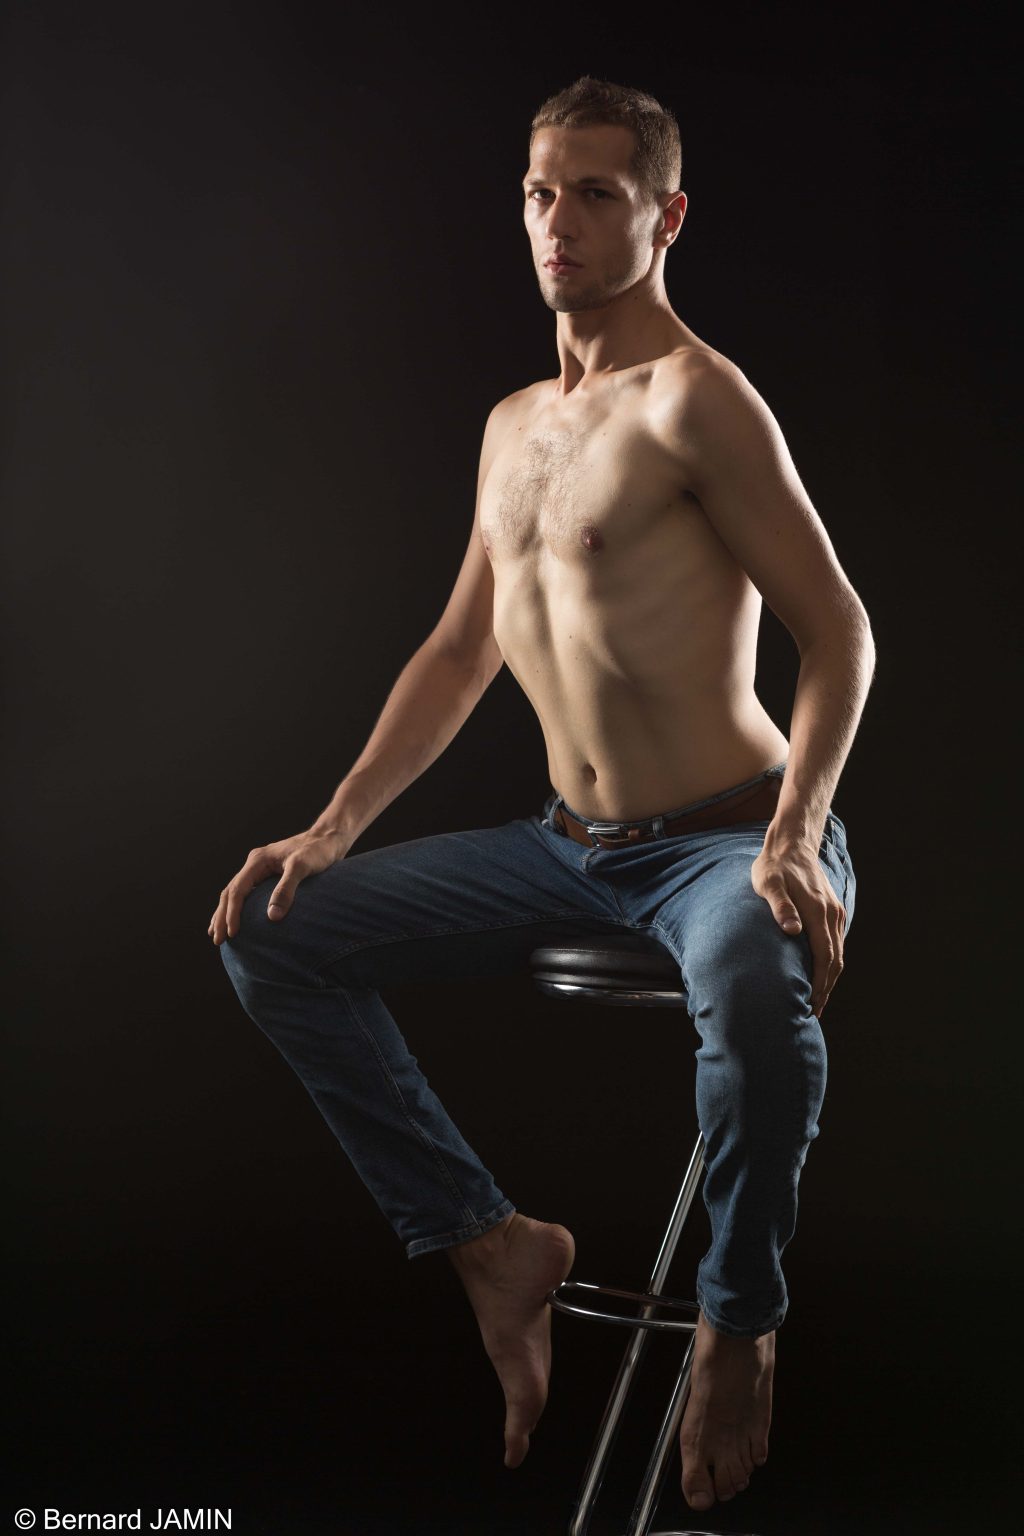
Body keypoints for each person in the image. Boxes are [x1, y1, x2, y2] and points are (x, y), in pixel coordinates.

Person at [209, 75, 874, 1516]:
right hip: (568, 849)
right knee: (272, 932)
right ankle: (489, 1242)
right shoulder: (515, 424)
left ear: (665, 216)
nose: (556, 221)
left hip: (726, 842)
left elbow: (841, 632)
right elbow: (463, 651)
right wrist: (333, 827)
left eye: (594, 193)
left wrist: (795, 835)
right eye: (537, 192)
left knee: (756, 1000)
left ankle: (740, 1323)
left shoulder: (698, 399)